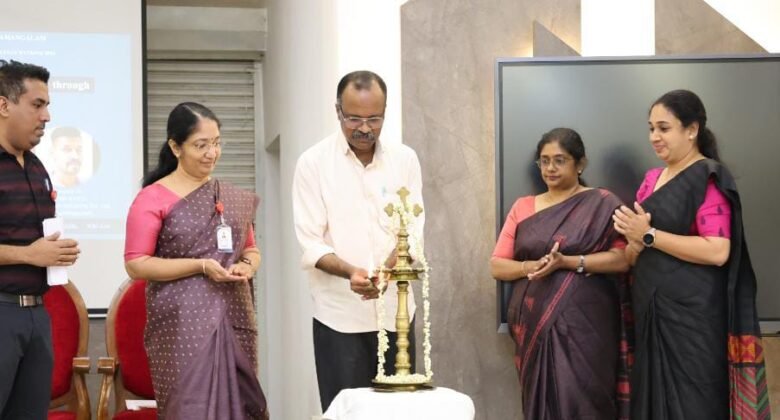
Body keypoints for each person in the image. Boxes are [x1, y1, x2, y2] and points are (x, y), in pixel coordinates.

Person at [613, 89, 769, 419]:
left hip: (693, 321)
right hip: (650, 311)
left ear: (692, 129)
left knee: (694, 404)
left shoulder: (707, 176)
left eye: (664, 128)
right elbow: (634, 254)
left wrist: (649, 235)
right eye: (651, 128)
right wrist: (635, 241)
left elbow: (718, 250)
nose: (654, 137)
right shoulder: (651, 180)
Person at [124, 102, 268, 419]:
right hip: (181, 328)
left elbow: (251, 250)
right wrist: (200, 266)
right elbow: (136, 263)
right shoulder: (153, 198)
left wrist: (246, 266)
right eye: (201, 145)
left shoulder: (229, 196)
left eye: (216, 143)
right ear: (176, 147)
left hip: (234, 318)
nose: (211, 153)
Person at [293, 70, 424, 412]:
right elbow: (311, 242)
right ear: (337, 110)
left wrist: (387, 270)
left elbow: (413, 227)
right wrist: (352, 272)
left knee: (399, 414)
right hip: (339, 317)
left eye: (374, 119)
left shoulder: (404, 160)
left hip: (396, 315)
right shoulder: (313, 163)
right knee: (346, 413)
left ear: (385, 113)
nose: (364, 128)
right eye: (353, 119)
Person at [490, 128, 631, 419]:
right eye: (544, 161)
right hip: (532, 323)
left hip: (588, 326)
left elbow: (623, 259)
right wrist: (532, 266)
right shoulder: (523, 207)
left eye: (559, 160)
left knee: (586, 400)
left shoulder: (602, 203)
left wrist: (568, 262)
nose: (550, 168)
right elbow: (497, 265)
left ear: (580, 164)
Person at [0, 60, 80, 419]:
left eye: (47, 106)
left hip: (36, 314)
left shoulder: (36, 166)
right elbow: (30, 252)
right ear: (4, 105)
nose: (46, 116)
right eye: (37, 105)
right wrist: (29, 255)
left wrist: (54, 253)